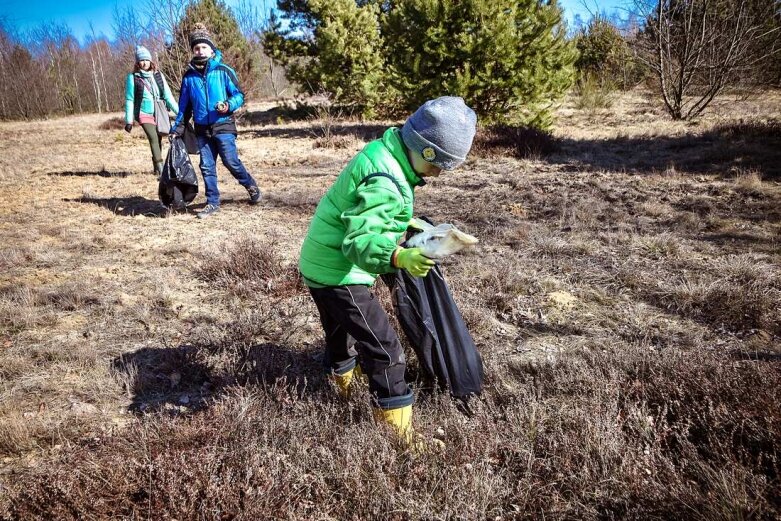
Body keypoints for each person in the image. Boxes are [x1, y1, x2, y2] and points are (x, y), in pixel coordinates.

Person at [298, 96, 477, 445]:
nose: (439, 174)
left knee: (340, 332)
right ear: (426, 152)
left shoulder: (385, 152)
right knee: (384, 347)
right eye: (441, 165)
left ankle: (342, 390)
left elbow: (362, 209)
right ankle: (400, 437)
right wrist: (398, 257)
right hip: (340, 273)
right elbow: (357, 241)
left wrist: (408, 224)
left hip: (318, 263)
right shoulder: (387, 180)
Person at [172, 23, 261, 219]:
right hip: (202, 128)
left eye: (204, 47)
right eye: (196, 48)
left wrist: (228, 105)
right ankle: (212, 202)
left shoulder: (223, 71)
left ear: (212, 50)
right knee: (206, 166)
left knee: (231, 161)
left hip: (223, 124)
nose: (200, 50)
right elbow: (184, 107)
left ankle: (250, 185)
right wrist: (176, 128)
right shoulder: (188, 77)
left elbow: (239, 95)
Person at [124, 46, 179, 177]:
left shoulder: (158, 76)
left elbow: (168, 96)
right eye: (141, 60)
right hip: (143, 113)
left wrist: (179, 113)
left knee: (158, 139)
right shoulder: (133, 78)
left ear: (150, 61)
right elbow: (129, 99)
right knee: (153, 137)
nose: (144, 63)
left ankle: (156, 168)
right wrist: (129, 120)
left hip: (159, 112)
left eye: (146, 60)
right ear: (137, 63)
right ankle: (161, 170)